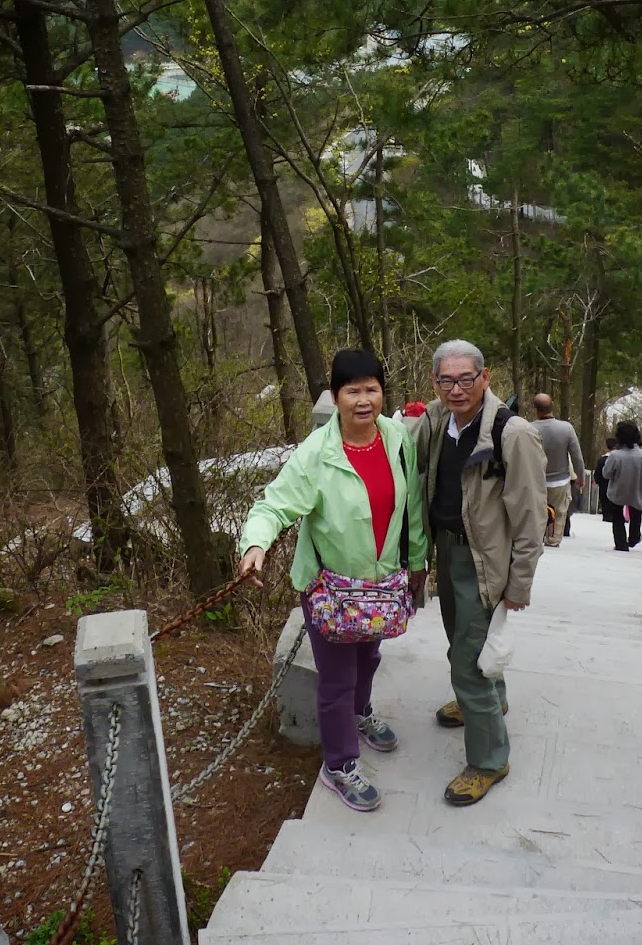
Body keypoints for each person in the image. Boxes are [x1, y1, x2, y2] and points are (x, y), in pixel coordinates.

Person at [238, 349, 427, 814]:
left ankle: (361, 714)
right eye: (352, 391)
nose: (363, 400)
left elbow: (412, 507)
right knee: (338, 678)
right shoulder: (316, 455)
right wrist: (255, 544)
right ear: (335, 396)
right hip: (331, 589)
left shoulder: (397, 438)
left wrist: (418, 561)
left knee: (369, 656)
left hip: (379, 584)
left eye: (372, 390)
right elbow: (273, 505)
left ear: (382, 393)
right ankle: (339, 764)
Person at [414, 340, 547, 807]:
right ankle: (494, 697)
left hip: (484, 560)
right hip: (447, 550)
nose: (456, 389)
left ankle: (490, 760)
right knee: (463, 640)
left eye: (466, 379)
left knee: (467, 663)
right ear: (435, 382)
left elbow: (531, 517)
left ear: (485, 378)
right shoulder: (436, 420)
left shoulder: (513, 434)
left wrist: (519, 582)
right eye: (446, 380)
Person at [531, 394, 585, 548]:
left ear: (536, 410)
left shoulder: (529, 429)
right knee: (560, 512)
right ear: (552, 405)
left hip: (536, 480)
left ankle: (538, 536)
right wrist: (580, 477)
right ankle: (553, 539)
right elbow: (577, 456)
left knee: (537, 511)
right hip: (560, 480)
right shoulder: (566, 428)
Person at [603, 420, 642, 551]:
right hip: (637, 490)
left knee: (617, 517)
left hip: (617, 491)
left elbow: (606, 474)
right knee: (636, 515)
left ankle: (621, 543)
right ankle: (634, 537)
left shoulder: (615, 455)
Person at [593, 434, 617, 523]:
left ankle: (606, 516)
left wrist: (597, 481)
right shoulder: (619, 459)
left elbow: (597, 474)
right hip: (616, 487)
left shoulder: (602, 460)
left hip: (604, 486)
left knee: (605, 503)